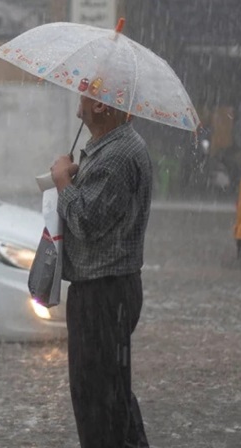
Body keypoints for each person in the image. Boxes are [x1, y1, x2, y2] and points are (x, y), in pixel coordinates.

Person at [50, 94, 152, 448]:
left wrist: (63, 181)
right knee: (111, 391)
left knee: (96, 398)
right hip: (105, 289)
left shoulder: (119, 155)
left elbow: (87, 222)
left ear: (100, 106)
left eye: (85, 91)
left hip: (104, 292)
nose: (78, 94)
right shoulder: (107, 147)